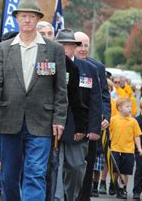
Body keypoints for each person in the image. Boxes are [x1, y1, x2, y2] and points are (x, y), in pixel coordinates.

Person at [0, 0, 68, 201]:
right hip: (8, 120)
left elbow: (61, 90)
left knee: (35, 173)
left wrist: (59, 119)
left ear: (38, 19)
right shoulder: (4, 48)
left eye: (31, 16)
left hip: (41, 121)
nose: (27, 20)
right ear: (17, 19)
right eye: (23, 16)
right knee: (9, 175)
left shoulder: (54, 49)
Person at [55, 29, 102, 201]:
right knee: (54, 167)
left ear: (75, 47)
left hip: (77, 128)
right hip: (52, 126)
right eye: (61, 45)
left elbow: (96, 100)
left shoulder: (89, 69)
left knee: (76, 167)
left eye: (68, 45)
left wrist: (94, 128)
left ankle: (71, 197)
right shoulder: (49, 66)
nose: (65, 48)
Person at [73, 31, 111, 200]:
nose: (83, 49)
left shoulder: (97, 68)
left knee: (88, 166)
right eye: (80, 45)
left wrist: (106, 117)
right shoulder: (65, 64)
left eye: (86, 45)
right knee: (72, 167)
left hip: (91, 125)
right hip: (71, 124)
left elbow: (104, 96)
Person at [109, 97, 142, 199]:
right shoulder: (113, 119)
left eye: (131, 107)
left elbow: (136, 136)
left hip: (128, 150)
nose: (130, 109)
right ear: (119, 108)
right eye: (127, 106)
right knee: (115, 170)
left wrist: (139, 148)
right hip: (115, 149)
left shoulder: (133, 122)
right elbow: (109, 132)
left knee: (125, 171)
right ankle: (113, 183)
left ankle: (122, 188)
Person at [133, 96, 142, 199]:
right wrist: (138, 148)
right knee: (139, 171)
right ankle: (137, 192)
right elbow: (134, 135)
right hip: (140, 149)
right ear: (141, 108)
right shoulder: (137, 120)